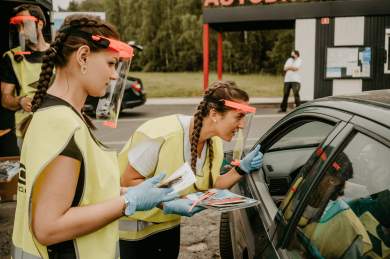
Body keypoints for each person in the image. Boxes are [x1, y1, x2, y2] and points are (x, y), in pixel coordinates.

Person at [12, 14, 177, 259]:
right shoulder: (61, 123)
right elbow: (48, 228)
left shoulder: (57, 114)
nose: (114, 76)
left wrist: (139, 194)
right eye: (111, 64)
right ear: (83, 56)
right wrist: (128, 202)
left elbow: (80, 194)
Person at [118, 80, 264, 258]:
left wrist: (241, 169)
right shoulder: (164, 134)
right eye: (239, 117)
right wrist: (166, 203)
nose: (242, 125)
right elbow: (128, 181)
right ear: (214, 113)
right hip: (133, 231)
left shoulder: (214, 142)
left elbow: (213, 182)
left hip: (168, 227)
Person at [0, 4, 50, 147]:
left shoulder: (59, 55)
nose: (21, 32)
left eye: (25, 25)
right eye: (18, 27)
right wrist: (20, 101)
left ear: (40, 24)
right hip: (27, 131)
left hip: (59, 127)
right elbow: (5, 99)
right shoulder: (11, 57)